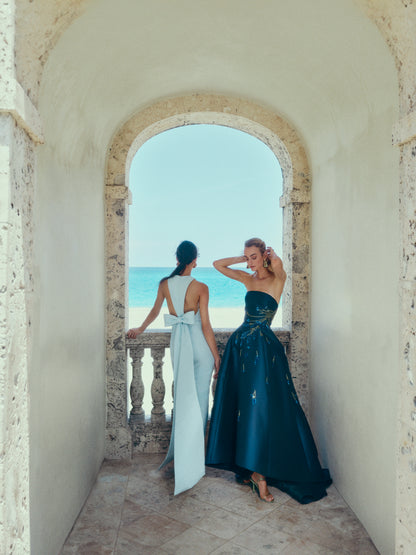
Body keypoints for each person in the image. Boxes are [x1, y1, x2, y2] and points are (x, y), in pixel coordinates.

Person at [206, 237, 331, 504]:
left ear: (265, 255)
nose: (250, 261)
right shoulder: (247, 279)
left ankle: (260, 473)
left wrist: (268, 259)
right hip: (240, 346)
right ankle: (253, 471)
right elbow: (217, 264)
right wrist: (245, 259)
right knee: (243, 407)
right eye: (246, 256)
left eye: (254, 256)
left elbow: (280, 267)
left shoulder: (277, 279)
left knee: (263, 408)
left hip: (263, 351)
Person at [127, 240, 220, 495]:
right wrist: (216, 356)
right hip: (200, 348)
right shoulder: (201, 286)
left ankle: (182, 459)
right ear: (194, 261)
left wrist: (139, 329)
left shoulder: (164, 284)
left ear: (177, 258)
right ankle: (194, 459)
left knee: (183, 399)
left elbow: (155, 311)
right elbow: (206, 326)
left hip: (180, 343)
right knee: (199, 404)